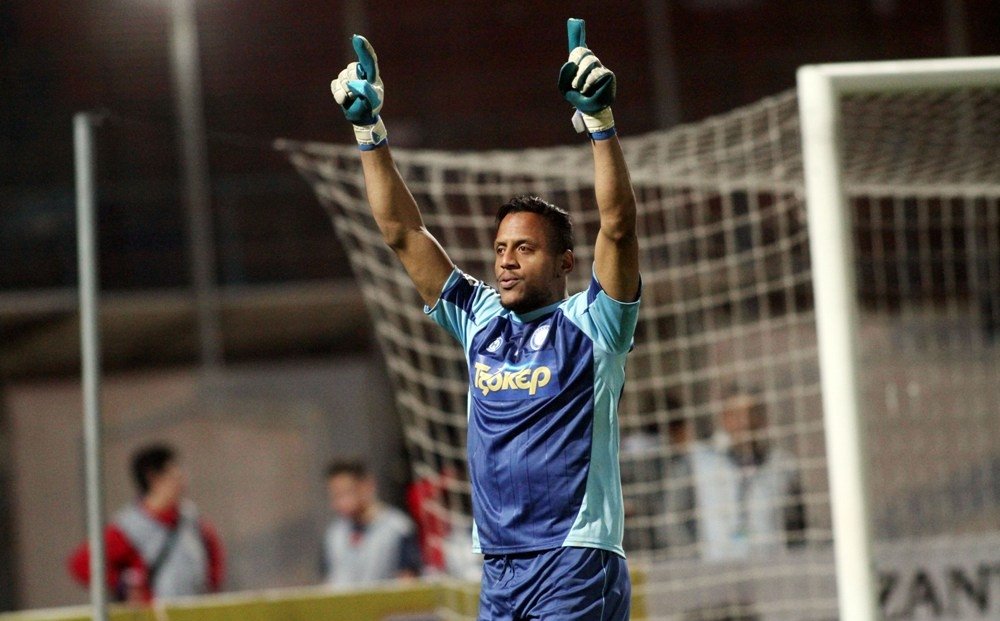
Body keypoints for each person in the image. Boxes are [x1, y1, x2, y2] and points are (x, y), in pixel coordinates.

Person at [329, 17, 640, 619]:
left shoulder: (595, 322)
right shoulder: (478, 317)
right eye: (499, 249)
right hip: (497, 568)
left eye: (524, 248)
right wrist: (369, 133)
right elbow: (402, 232)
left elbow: (619, 228)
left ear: (565, 262)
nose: (505, 261)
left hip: (574, 560)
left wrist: (600, 126)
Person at [67, 443, 224, 602]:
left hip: (195, 606)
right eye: (173, 474)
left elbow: (213, 555)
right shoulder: (129, 527)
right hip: (155, 610)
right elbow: (82, 563)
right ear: (153, 478)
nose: (181, 479)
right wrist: (123, 586)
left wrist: (211, 589)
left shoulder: (191, 518)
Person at [689, 387, 806, 561]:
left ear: (763, 418)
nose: (745, 422)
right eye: (735, 414)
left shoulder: (783, 465)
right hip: (717, 568)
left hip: (770, 566)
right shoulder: (701, 463)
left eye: (751, 412)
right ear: (724, 419)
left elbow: (797, 522)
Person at [322, 459, 423, 585]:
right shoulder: (335, 533)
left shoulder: (398, 528)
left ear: (367, 486)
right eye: (335, 495)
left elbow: (407, 580)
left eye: (346, 492)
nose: (341, 501)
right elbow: (329, 580)